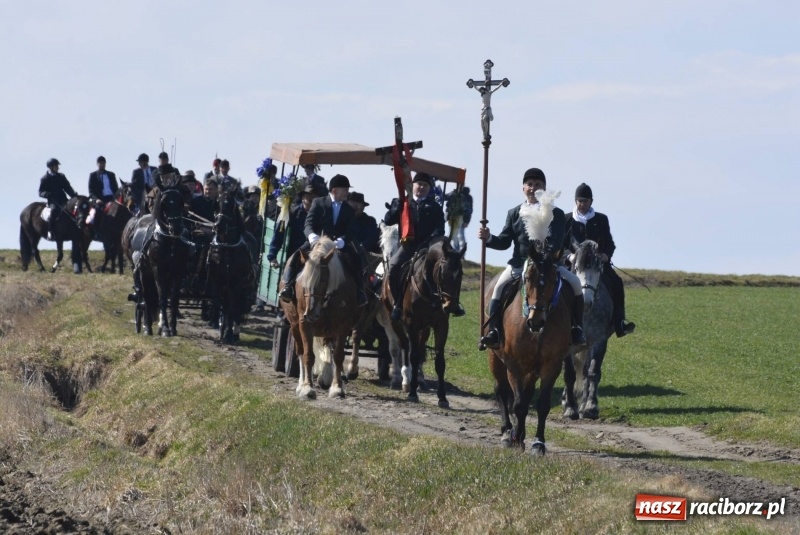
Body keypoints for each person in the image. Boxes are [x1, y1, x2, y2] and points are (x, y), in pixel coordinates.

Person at [477, 167, 586, 350]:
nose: (533, 187)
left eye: (537, 184)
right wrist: (489, 238)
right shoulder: (514, 212)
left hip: (549, 266)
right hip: (519, 265)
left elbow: (557, 241)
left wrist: (544, 258)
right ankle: (494, 332)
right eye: (529, 184)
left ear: (544, 188)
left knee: (575, 284)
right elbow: (504, 241)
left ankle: (577, 328)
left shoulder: (556, 213)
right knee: (498, 289)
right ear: (523, 188)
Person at [279, 174, 368, 306]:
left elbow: (350, 231)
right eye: (345, 189)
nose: (347, 192)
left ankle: (360, 292)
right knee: (296, 256)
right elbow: (308, 224)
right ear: (335, 190)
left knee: (356, 259)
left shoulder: (349, 209)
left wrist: (342, 240)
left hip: (338, 245)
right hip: (317, 243)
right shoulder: (318, 202)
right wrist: (312, 236)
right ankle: (288, 286)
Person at [565, 183, 635, 338]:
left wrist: (605, 255)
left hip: (597, 265)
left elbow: (610, 244)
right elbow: (561, 246)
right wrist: (569, 256)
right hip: (574, 266)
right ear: (575, 201)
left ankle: (619, 323)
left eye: (585, 201)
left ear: (591, 201)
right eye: (580, 201)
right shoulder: (567, 219)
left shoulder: (601, 219)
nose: (582, 204)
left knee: (617, 282)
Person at [384, 172, 446, 321]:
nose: (422, 187)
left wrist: (430, 240)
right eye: (419, 184)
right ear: (412, 186)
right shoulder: (403, 202)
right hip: (407, 247)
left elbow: (440, 229)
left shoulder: (435, 207)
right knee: (392, 268)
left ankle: (445, 303)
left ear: (429, 188)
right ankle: (397, 303)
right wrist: (395, 208)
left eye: (425, 185)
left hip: (427, 248)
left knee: (445, 269)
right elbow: (388, 220)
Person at [268, 185, 317, 268]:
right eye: (309, 196)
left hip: (312, 256)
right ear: (303, 198)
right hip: (293, 256)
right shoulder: (291, 213)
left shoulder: (319, 215)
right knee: (289, 274)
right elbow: (279, 234)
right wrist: (272, 256)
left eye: (314, 196)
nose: (312, 198)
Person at [38, 158, 77, 241]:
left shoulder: (61, 176)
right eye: (56, 166)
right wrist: (47, 194)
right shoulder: (45, 178)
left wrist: (73, 195)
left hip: (63, 199)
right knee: (54, 210)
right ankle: (50, 231)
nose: (58, 168)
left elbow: (67, 187)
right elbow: (40, 192)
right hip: (53, 201)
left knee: (73, 209)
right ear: (51, 167)